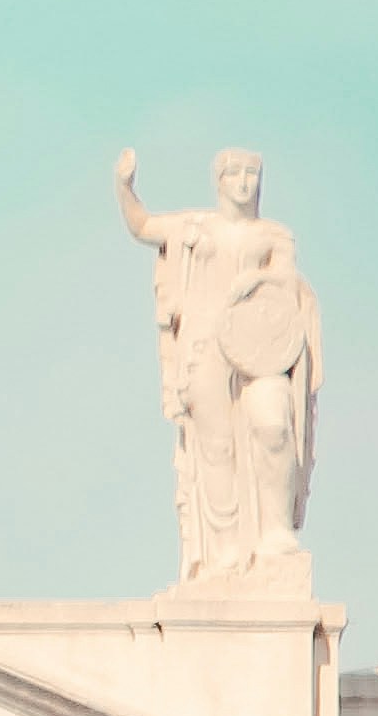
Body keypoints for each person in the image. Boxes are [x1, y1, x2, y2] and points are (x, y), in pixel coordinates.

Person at [115, 144, 320, 582]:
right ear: (219, 180)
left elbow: (287, 278)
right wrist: (124, 186)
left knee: (272, 422)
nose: (244, 182)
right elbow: (142, 226)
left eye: (251, 173)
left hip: (259, 342)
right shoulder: (194, 227)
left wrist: (259, 277)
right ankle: (223, 556)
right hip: (204, 343)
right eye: (235, 174)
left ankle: (275, 536)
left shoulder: (274, 235)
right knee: (216, 447)